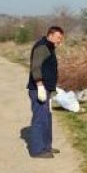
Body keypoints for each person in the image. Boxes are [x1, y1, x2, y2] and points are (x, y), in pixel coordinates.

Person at [26, 26, 64, 158]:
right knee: (39, 119)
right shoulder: (42, 47)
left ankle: (46, 146)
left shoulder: (49, 47)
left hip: (46, 89)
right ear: (51, 35)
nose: (60, 40)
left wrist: (51, 89)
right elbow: (35, 67)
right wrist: (40, 85)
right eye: (59, 37)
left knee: (47, 118)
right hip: (38, 89)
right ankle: (37, 150)